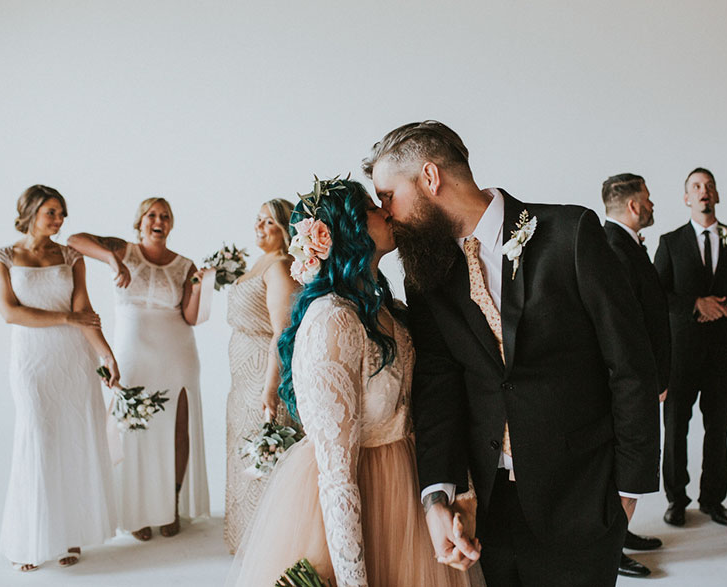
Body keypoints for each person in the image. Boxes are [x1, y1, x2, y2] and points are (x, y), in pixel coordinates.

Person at [364, 121, 660, 587]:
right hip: (486, 506)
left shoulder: (570, 232)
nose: (386, 213)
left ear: (430, 177)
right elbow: (438, 383)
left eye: (387, 195)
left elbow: (629, 363)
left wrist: (629, 487)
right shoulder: (425, 274)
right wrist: (437, 497)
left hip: (585, 494)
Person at [227, 178, 475, 587]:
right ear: (348, 230)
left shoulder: (389, 311)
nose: (386, 211)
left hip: (406, 488)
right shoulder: (331, 319)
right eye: (372, 209)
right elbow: (337, 478)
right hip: (353, 496)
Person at [0, 185, 118, 571]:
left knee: (72, 442)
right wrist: (66, 319)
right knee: (38, 441)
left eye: (62, 213)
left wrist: (107, 354)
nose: (60, 220)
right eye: (52, 212)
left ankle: (68, 536)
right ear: (29, 211)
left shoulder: (70, 255)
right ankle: (28, 540)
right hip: (32, 362)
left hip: (74, 361)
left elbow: (84, 309)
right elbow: (10, 313)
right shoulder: (3, 257)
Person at [67, 197, 209, 541]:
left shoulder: (185, 264)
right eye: (151, 215)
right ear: (139, 221)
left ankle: (170, 505)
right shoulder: (124, 249)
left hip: (177, 353)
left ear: (171, 225)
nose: (158, 221)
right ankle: (137, 510)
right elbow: (74, 240)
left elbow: (191, 318)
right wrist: (112, 258)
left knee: (178, 429)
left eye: (165, 216)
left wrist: (199, 287)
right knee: (132, 430)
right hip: (133, 355)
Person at [654, 167, 727, 528]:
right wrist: (695, 305)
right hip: (680, 356)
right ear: (686, 198)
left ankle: (714, 500)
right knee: (676, 430)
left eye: (709, 186)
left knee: (718, 429)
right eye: (696, 187)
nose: (704, 191)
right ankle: (676, 500)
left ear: (716, 196)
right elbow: (656, 295)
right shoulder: (670, 242)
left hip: (724, 355)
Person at [602, 173, 669, 578]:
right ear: (632, 205)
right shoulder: (613, 248)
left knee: (635, 469)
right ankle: (609, 551)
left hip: (645, 380)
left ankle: (623, 534)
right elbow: (623, 331)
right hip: (633, 384)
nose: (651, 204)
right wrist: (648, 381)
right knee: (628, 470)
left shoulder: (626, 245)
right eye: (647, 198)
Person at [224, 198, 299, 553]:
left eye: (268, 222)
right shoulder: (260, 263)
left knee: (267, 459)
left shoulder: (281, 267)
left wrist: (270, 389)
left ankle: (269, 550)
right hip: (242, 381)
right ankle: (246, 544)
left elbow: (282, 333)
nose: (259, 227)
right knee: (247, 458)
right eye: (257, 219)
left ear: (285, 229)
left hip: (263, 379)